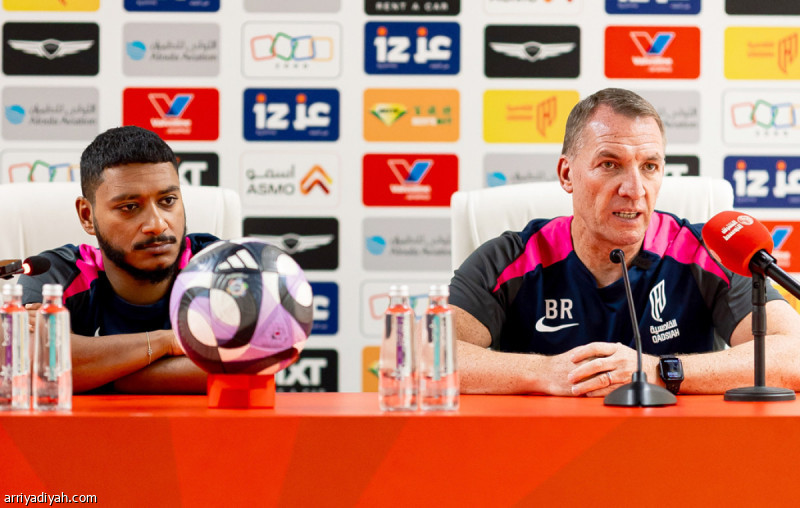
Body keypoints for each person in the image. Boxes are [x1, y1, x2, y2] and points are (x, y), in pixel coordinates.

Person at [450, 88, 800, 397]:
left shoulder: (705, 252)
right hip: (543, 445)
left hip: (675, 443)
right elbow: (430, 354)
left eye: (649, 167)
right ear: (567, 174)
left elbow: (793, 354)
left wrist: (660, 371)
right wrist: (545, 372)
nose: (634, 189)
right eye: (610, 164)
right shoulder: (509, 259)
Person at [20, 126, 218, 394]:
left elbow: (256, 364)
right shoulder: (53, 275)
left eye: (168, 200)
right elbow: (31, 364)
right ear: (87, 216)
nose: (157, 225)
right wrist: (167, 342)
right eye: (129, 207)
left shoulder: (220, 266)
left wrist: (101, 373)